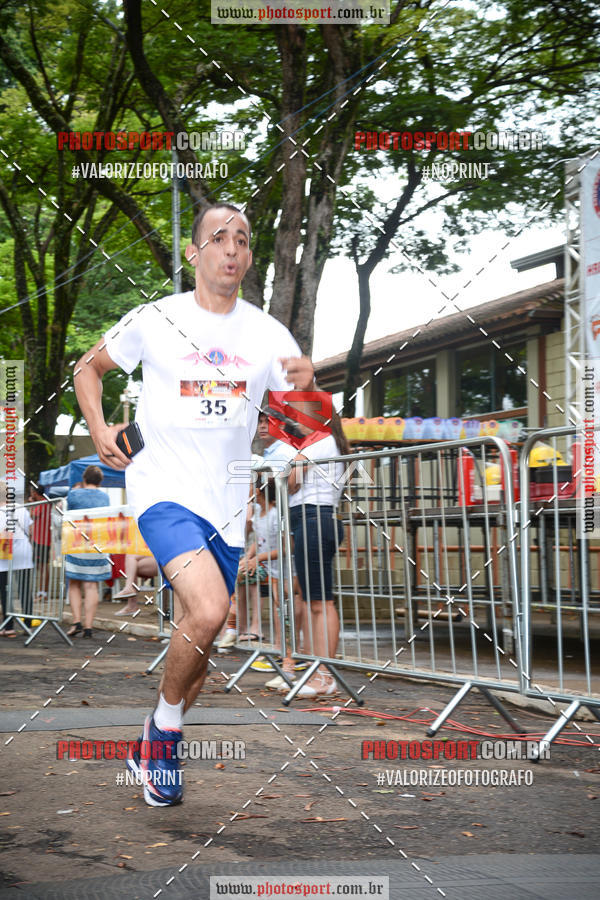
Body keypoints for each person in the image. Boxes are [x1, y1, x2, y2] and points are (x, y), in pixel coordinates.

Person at [73, 203, 315, 807]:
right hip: (163, 491)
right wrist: (101, 432)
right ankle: (165, 739)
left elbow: (300, 420)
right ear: (195, 253)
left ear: (249, 257)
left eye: (242, 240)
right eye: (218, 238)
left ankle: (154, 730)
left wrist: (300, 409)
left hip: (229, 501)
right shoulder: (155, 319)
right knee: (208, 609)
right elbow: (88, 368)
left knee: (204, 639)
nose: (231, 248)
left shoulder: (268, 334)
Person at [287, 411, 349, 698]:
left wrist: (291, 465)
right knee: (314, 601)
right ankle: (319, 671)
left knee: (320, 602)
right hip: (310, 519)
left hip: (314, 518)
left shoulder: (319, 441)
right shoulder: (322, 441)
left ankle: (325, 675)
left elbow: (292, 481)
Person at [64, 465, 111, 638]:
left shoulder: (74, 494)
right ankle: (89, 627)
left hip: (76, 542)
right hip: (97, 543)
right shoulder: (105, 497)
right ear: (100, 481)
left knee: (74, 583)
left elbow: (67, 513)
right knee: (92, 585)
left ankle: (76, 622)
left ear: (84, 479)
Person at [29, 486, 53, 600]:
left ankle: (43, 593)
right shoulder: (43, 503)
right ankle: (41, 592)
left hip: (42, 540)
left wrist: (31, 504)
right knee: (40, 566)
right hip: (39, 539)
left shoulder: (43, 503)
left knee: (43, 567)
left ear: (34, 492)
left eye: (31, 492)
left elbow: (32, 515)